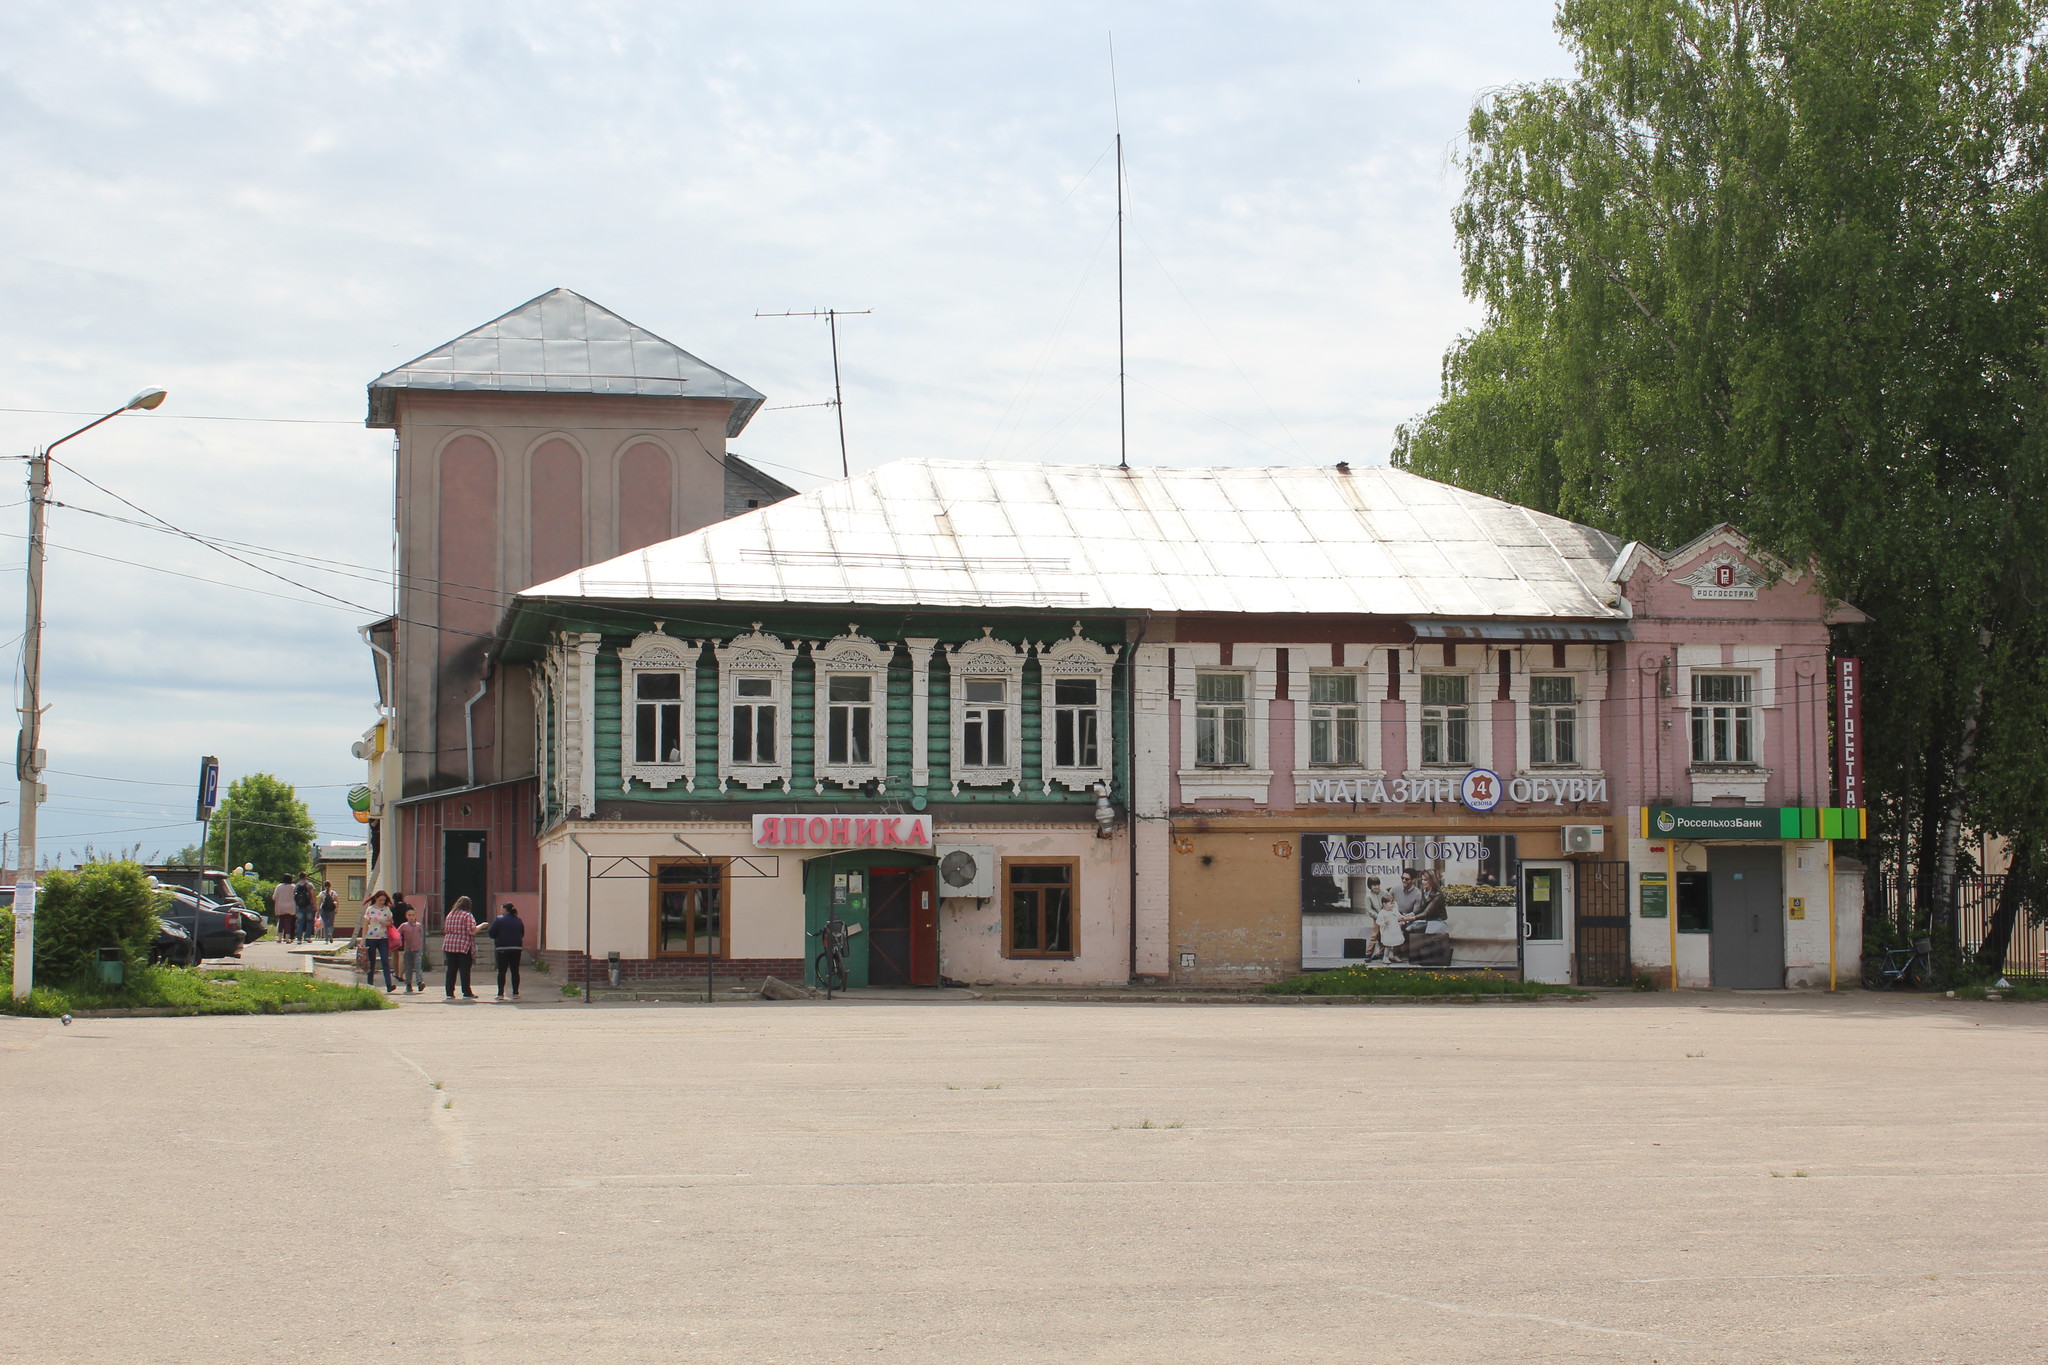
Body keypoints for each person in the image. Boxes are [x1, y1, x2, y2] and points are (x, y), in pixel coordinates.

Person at [356, 889, 395, 993]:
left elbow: (391, 922)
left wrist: (386, 923)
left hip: (383, 938)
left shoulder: (386, 909)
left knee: (385, 960)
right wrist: (363, 939)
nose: (382, 902)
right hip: (371, 938)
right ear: (376, 899)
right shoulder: (370, 909)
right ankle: (370, 984)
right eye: (380, 900)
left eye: (384, 900)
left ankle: (389, 984)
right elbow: (365, 924)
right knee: (371, 962)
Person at [442, 897, 480, 1001]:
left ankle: (449, 992)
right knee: (464, 970)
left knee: (451, 969)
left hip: (449, 944)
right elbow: (472, 930)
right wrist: (482, 926)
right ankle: (466, 992)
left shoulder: (450, 915)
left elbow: (445, 929)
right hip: (463, 945)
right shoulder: (467, 915)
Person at [489, 902, 526, 1002]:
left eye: (501, 908)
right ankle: (515, 993)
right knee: (515, 971)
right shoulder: (519, 920)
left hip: (502, 948)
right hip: (516, 948)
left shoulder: (499, 919)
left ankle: (500, 994)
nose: (501, 910)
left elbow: (491, 933)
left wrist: (499, 937)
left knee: (502, 971)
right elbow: (522, 933)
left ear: (505, 909)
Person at [397, 907, 425, 994]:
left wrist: (421, 948)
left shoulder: (419, 925)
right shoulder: (404, 925)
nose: (411, 917)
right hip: (407, 949)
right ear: (406, 916)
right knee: (408, 968)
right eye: (409, 915)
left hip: (417, 949)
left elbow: (421, 936)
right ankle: (408, 984)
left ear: (416, 916)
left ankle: (420, 982)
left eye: (413, 915)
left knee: (418, 966)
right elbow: (397, 934)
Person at [271, 877, 297, 945]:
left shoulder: (279, 886)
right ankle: (287, 938)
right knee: (288, 922)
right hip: (290, 906)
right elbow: (296, 896)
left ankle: (279, 938)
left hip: (281, 905)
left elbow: (274, 897)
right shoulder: (293, 887)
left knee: (281, 922)